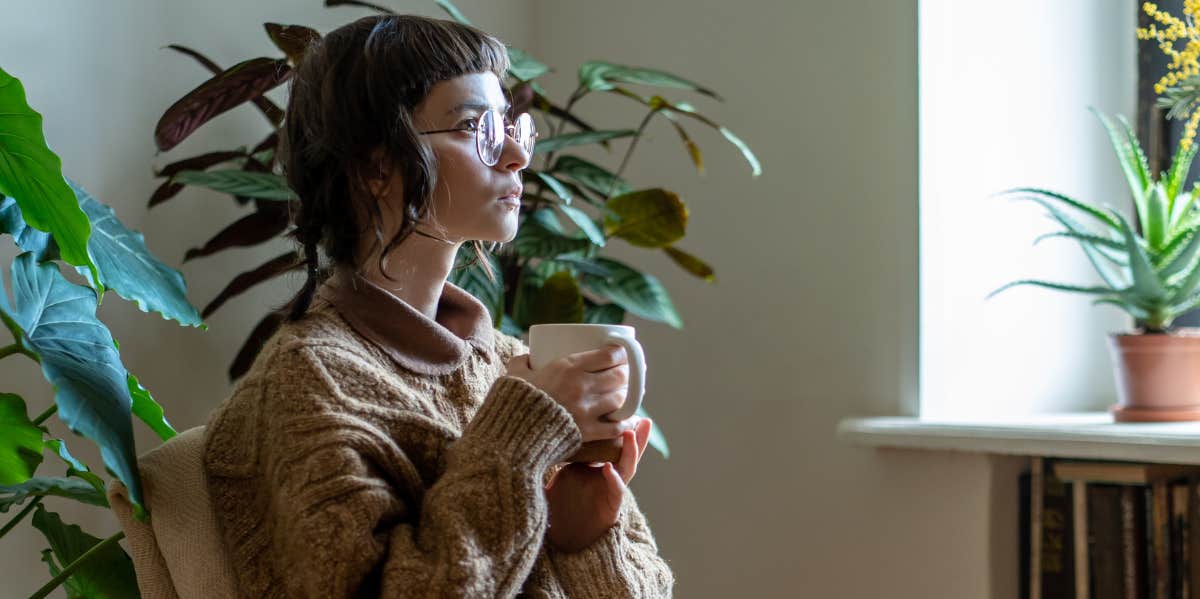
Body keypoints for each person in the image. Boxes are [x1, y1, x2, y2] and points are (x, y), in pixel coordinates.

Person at [202, 14, 674, 598]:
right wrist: (521, 441)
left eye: (510, 125)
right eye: (474, 125)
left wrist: (586, 537)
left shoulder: (510, 363)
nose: (514, 156)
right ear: (376, 167)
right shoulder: (310, 382)